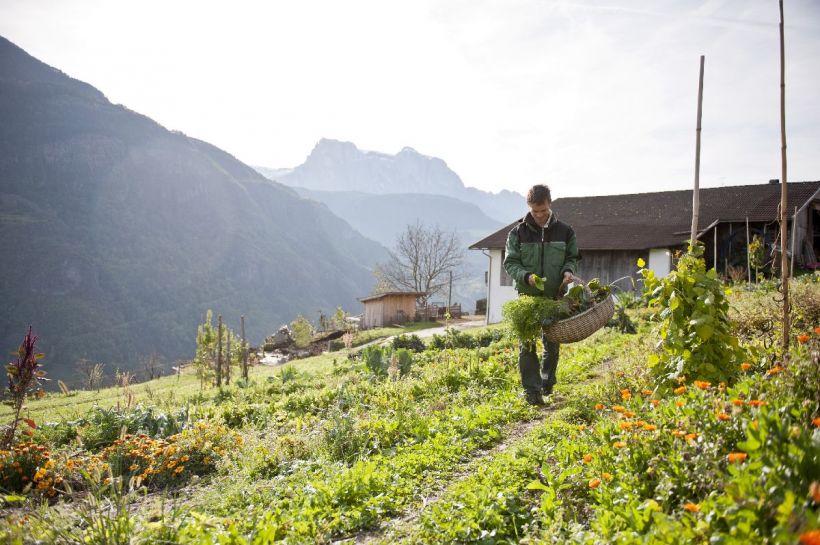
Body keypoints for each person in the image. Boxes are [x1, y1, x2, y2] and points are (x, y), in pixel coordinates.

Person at [503, 184, 580, 406]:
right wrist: (526, 276)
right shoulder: (517, 233)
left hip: (554, 297)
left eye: (543, 211)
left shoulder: (565, 231)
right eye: (535, 211)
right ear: (529, 207)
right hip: (528, 299)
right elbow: (510, 263)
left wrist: (568, 271)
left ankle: (547, 383)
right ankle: (531, 391)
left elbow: (572, 257)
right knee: (526, 345)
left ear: (550, 204)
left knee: (552, 344)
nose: (539, 215)